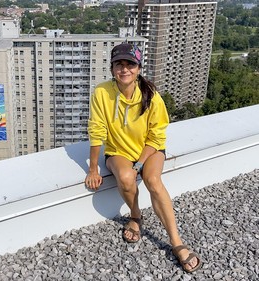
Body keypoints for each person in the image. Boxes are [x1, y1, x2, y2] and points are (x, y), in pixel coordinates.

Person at [84, 43, 202, 273]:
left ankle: (177, 242)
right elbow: (96, 130)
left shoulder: (151, 96)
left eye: (130, 64)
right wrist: (93, 169)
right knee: (126, 178)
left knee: (154, 182)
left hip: (150, 149)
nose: (124, 69)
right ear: (112, 68)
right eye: (119, 64)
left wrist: (139, 163)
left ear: (138, 69)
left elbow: (157, 136)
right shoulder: (101, 92)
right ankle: (136, 216)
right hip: (118, 150)